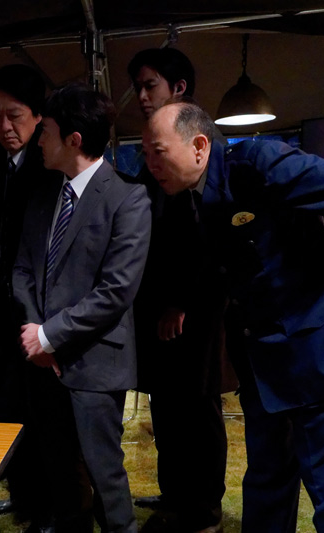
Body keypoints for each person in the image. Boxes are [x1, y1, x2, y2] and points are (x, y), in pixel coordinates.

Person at [142, 102, 324, 533]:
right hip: (262, 363)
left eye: (158, 152)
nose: (151, 165)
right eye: (146, 154)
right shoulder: (192, 194)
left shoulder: (259, 165)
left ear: (199, 146)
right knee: (266, 485)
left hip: (314, 355)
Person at [13, 83, 151, 532]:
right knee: (61, 477)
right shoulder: (44, 195)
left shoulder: (127, 198)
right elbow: (23, 269)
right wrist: (35, 331)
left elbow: (116, 290)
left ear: (73, 139)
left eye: (46, 131)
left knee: (104, 476)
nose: (39, 140)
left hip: (95, 363)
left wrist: (49, 335)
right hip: (42, 362)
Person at [127, 48, 229, 533]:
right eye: (139, 87)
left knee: (198, 407)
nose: (142, 96)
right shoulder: (155, 150)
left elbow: (208, 239)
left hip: (196, 308)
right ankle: (177, 495)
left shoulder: (197, 145)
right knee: (166, 405)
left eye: (150, 85)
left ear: (179, 87)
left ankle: (204, 509)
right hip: (159, 304)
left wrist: (181, 301)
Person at [0, 64, 60, 519]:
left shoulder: (49, 163)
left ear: (38, 115)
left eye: (15, 115)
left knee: (42, 409)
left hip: (39, 312)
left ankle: (46, 506)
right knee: (5, 406)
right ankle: (22, 495)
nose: (4, 125)